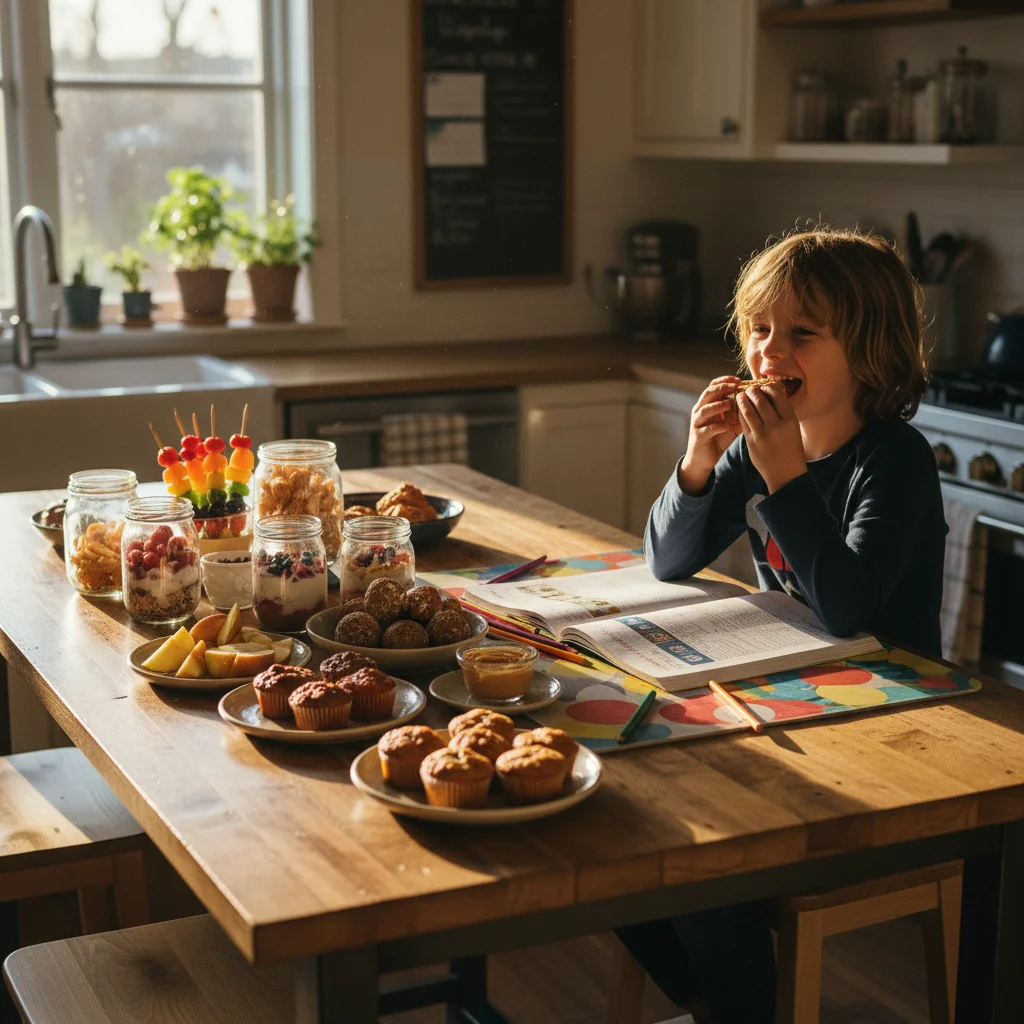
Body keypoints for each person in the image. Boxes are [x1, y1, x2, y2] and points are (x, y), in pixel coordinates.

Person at [617, 227, 948, 1022]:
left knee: (708, 851)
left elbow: (848, 610)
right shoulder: (764, 445)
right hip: (792, 700)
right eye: (760, 329)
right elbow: (666, 560)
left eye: (803, 333)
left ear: (870, 353)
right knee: (627, 824)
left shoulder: (892, 461)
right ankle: (715, 1004)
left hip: (899, 727)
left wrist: (786, 477)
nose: (769, 352)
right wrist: (698, 460)